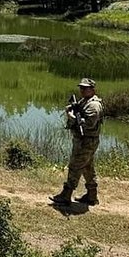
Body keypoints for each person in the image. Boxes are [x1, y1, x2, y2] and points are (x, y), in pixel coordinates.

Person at [50, 78, 104, 206]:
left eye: (85, 88)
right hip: (85, 140)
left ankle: (66, 195)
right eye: (81, 88)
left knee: (75, 166)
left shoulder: (94, 105)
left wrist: (71, 116)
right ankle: (91, 195)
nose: (82, 90)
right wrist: (73, 107)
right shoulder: (85, 101)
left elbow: (89, 124)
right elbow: (78, 110)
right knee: (87, 167)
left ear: (92, 89)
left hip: (86, 141)